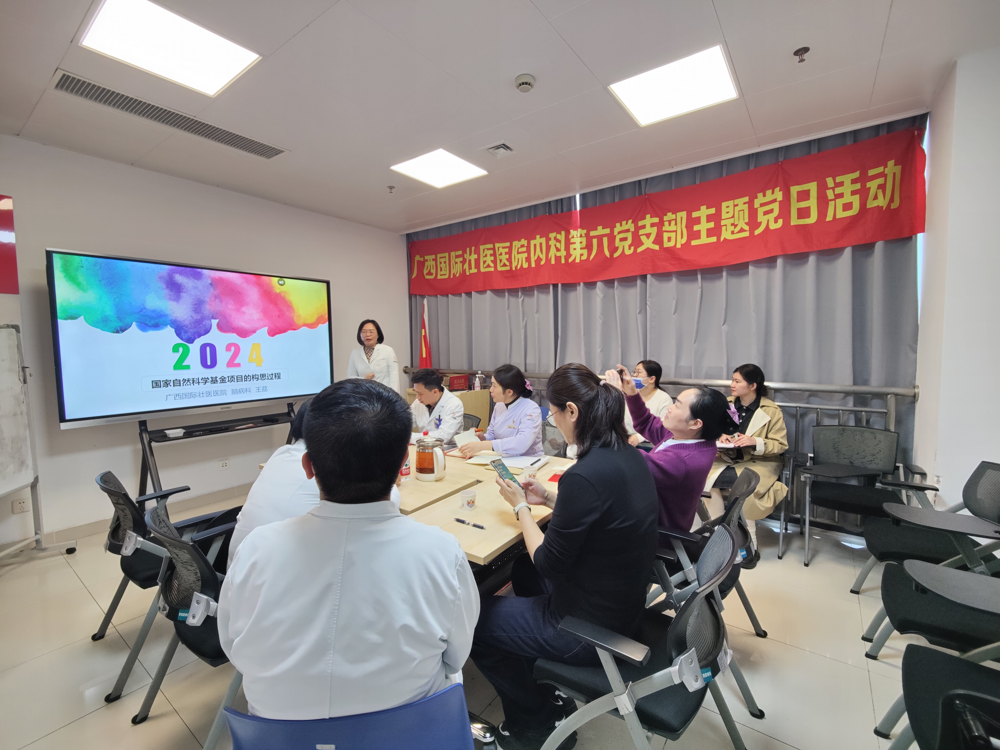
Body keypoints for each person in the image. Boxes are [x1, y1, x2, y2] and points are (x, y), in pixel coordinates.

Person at [218, 379, 479, 720]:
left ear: (308, 466)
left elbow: (232, 645)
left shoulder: (256, 549)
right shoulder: (442, 553)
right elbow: (456, 657)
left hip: (277, 737)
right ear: (404, 462)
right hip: (408, 733)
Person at [472, 363, 658, 750]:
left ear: (571, 411)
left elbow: (548, 562)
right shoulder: (628, 454)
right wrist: (549, 497)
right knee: (522, 568)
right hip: (622, 604)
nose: (553, 421)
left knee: (475, 619)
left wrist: (522, 506)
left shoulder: (585, 473)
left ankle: (533, 724)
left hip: (587, 629)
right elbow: (601, 514)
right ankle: (542, 682)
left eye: (554, 413)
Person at [227, 401, 401, 568]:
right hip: (286, 569)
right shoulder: (328, 466)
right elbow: (385, 504)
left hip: (241, 566)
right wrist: (387, 474)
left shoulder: (282, 452)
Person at [605, 367, 735, 534]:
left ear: (695, 423)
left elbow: (625, 455)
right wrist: (631, 394)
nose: (669, 408)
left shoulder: (682, 460)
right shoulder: (690, 437)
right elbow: (646, 422)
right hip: (646, 512)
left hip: (651, 531)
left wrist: (613, 401)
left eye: (677, 406)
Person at [706, 363, 789, 566]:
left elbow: (780, 445)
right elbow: (710, 429)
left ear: (752, 386)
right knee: (703, 479)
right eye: (732, 380)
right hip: (726, 458)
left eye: (737, 381)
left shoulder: (771, 410)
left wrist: (755, 441)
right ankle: (719, 537)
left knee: (744, 485)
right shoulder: (725, 404)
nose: (732, 385)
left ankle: (749, 547)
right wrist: (720, 436)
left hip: (760, 461)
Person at [458, 364, 543, 458]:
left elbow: (522, 443)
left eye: (494, 386)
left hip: (529, 460)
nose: (491, 390)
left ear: (509, 392)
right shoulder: (499, 405)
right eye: (491, 384)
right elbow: (492, 434)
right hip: (503, 458)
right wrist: (483, 438)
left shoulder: (531, 409)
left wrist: (484, 445)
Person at [410, 368, 465, 448]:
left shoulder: (454, 404)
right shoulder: (418, 402)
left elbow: (442, 437)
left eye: (420, 393)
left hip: (447, 449)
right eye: (416, 392)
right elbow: (405, 423)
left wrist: (409, 437)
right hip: (424, 448)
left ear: (435, 392)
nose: (417, 397)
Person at [622, 360, 673, 447]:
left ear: (651, 379)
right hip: (626, 441)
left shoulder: (664, 399)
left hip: (650, 444)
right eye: (634, 372)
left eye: (638, 372)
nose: (634, 375)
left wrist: (639, 437)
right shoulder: (629, 394)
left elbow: (664, 428)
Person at [346, 319, 399, 392]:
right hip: (363, 393)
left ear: (378, 334)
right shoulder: (355, 353)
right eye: (364, 332)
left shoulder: (388, 351)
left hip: (384, 394)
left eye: (371, 331)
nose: (367, 335)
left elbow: (394, 377)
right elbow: (350, 378)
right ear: (360, 335)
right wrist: (364, 379)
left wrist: (394, 396)